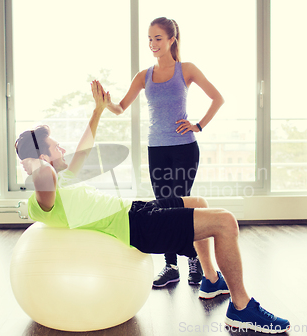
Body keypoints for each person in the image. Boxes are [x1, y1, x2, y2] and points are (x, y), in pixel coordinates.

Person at [15, 81, 290, 334]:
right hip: (137, 228)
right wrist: (35, 161)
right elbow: (44, 178)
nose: (63, 149)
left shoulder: (64, 177)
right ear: (42, 159)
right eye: (55, 147)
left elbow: (84, 148)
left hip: (135, 210)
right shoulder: (44, 197)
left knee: (198, 203)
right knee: (226, 222)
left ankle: (211, 280)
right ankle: (241, 308)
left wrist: (98, 110)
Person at [103, 17, 224, 288]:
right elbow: (121, 107)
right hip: (156, 149)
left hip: (184, 149)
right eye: (149, 39)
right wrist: (105, 102)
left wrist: (199, 125)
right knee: (164, 207)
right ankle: (172, 267)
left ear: (172, 40)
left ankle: (192, 261)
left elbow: (218, 98)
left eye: (158, 38)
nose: (152, 44)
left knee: (179, 205)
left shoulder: (186, 69)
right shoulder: (143, 76)